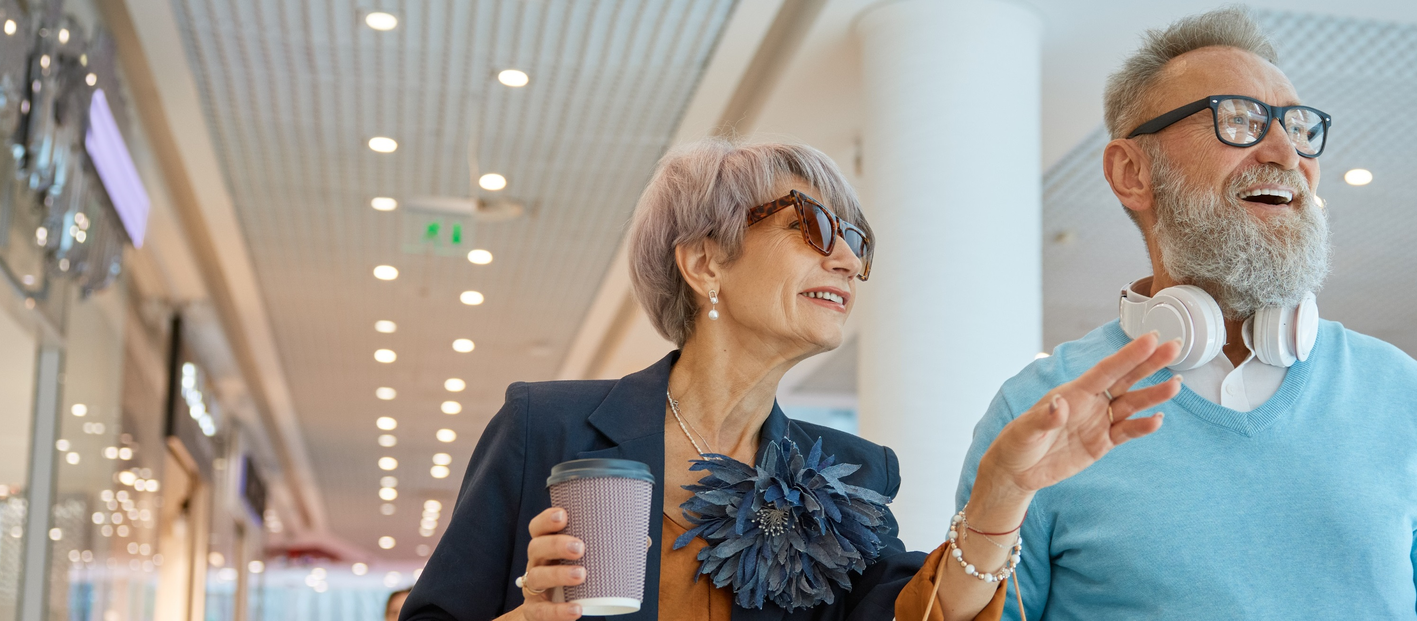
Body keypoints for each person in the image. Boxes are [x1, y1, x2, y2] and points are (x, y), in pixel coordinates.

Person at [954, 8, 1417, 621]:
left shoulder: (1403, 395)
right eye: (1238, 121)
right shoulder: (1039, 414)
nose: (1287, 155)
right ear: (1132, 173)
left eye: (1298, 128)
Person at [402, 138, 1185, 621]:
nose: (845, 259)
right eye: (812, 227)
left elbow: (918, 616)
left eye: (856, 242)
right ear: (706, 259)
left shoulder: (850, 474)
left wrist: (1001, 494)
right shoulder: (548, 426)